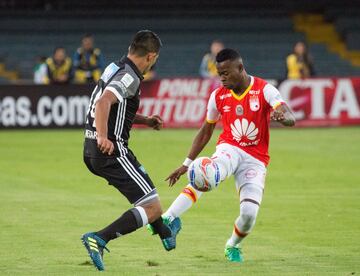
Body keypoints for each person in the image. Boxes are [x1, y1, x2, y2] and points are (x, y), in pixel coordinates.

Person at [162, 49, 296, 263]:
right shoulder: (218, 96)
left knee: (249, 214)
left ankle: (232, 245)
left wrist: (284, 118)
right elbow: (206, 130)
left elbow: (289, 115)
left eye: (226, 73)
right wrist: (186, 164)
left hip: (256, 159)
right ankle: (169, 218)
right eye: (219, 73)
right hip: (229, 148)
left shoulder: (264, 90)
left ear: (240, 68)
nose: (222, 78)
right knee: (207, 172)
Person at [82, 30, 180, 271]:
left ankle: (166, 233)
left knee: (146, 198)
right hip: (111, 151)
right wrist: (104, 136)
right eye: (154, 60)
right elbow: (104, 102)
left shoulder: (115, 67)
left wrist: (145, 120)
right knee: (152, 206)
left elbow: (118, 108)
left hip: (91, 149)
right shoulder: (131, 76)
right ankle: (99, 238)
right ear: (150, 56)